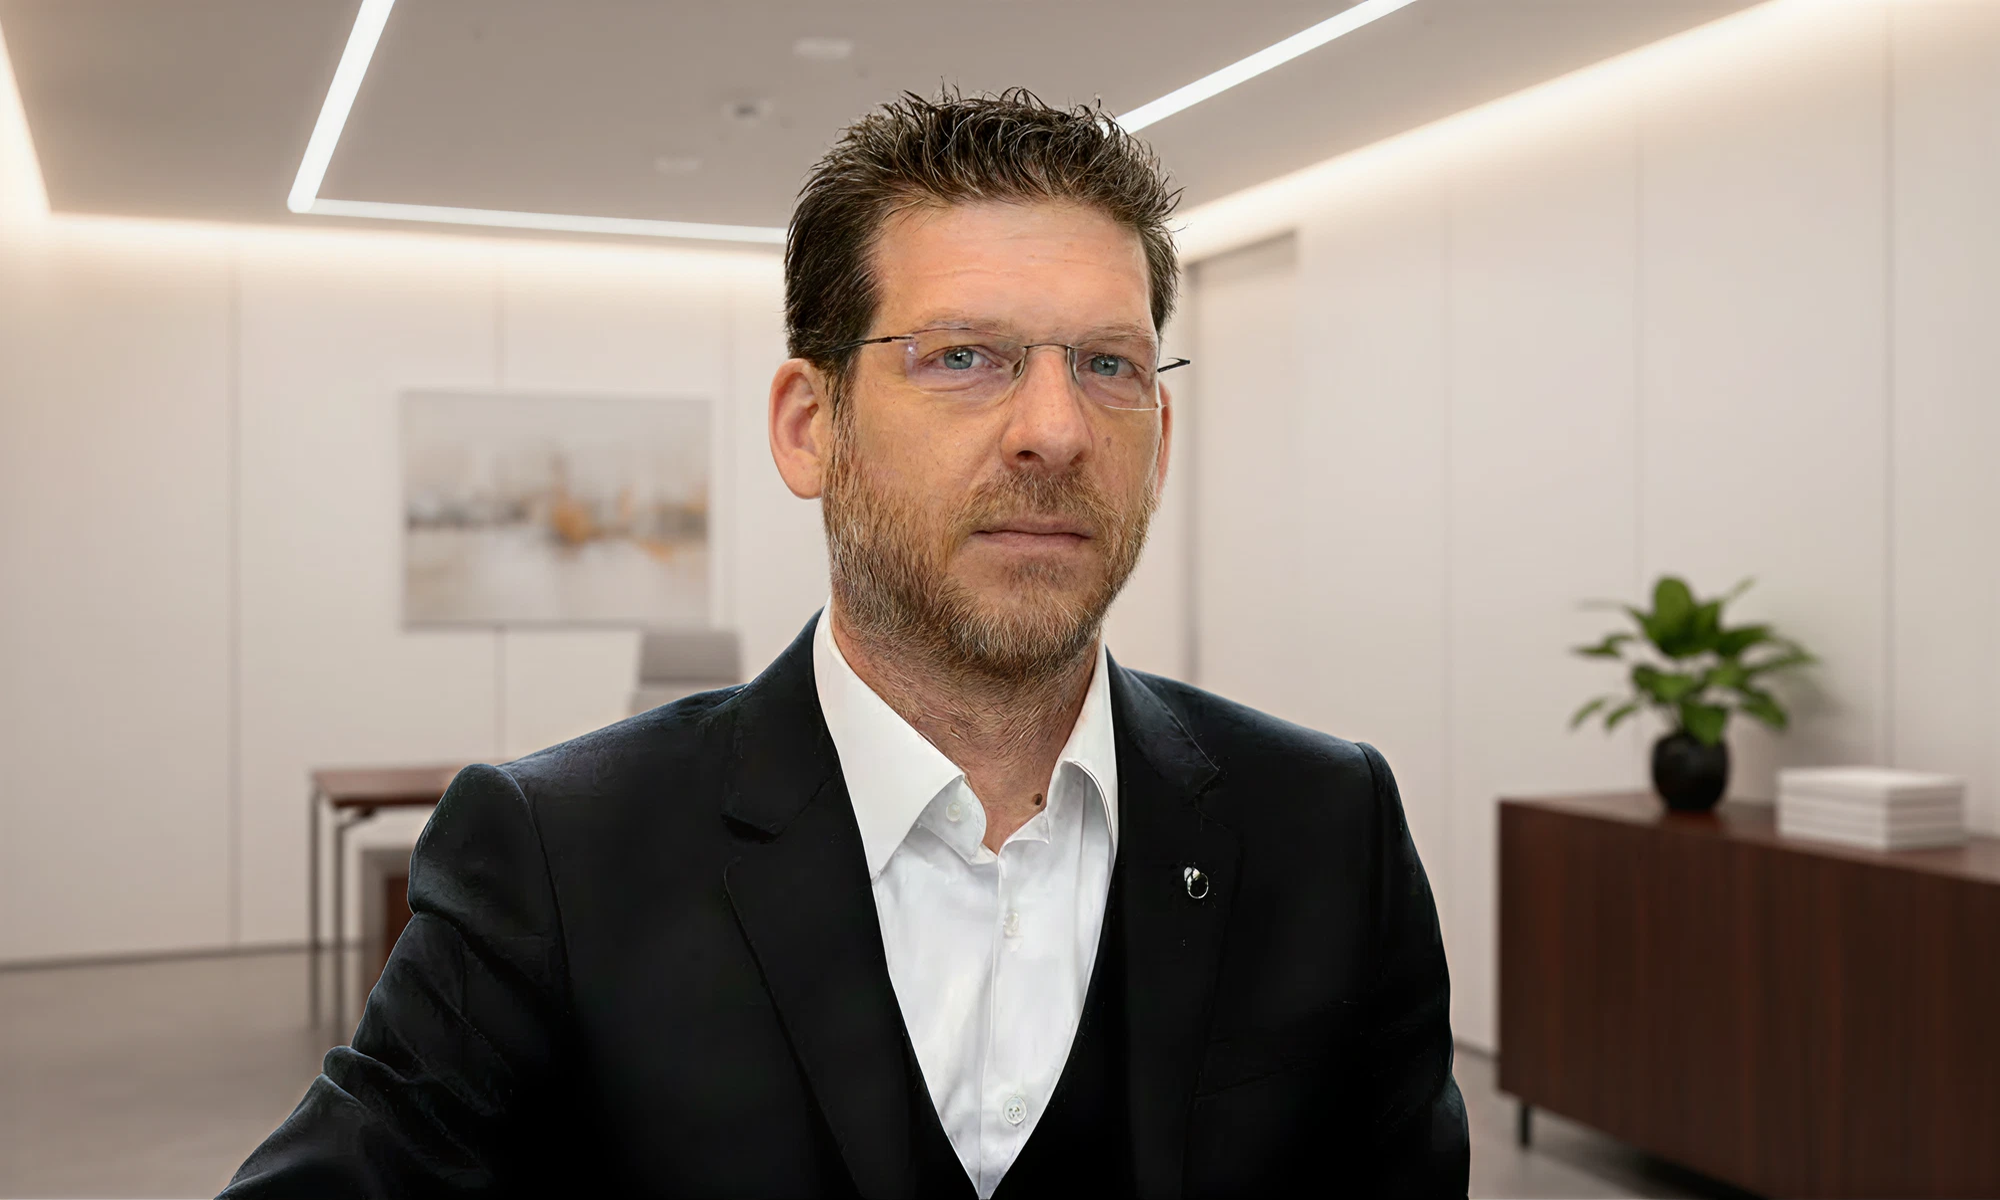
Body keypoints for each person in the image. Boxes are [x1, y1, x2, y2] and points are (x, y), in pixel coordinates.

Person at [223, 89, 1468, 1199]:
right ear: (808, 426)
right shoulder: (558, 859)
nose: (1055, 430)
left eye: (1106, 364)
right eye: (963, 357)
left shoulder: (1325, 827)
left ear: (1160, 434)